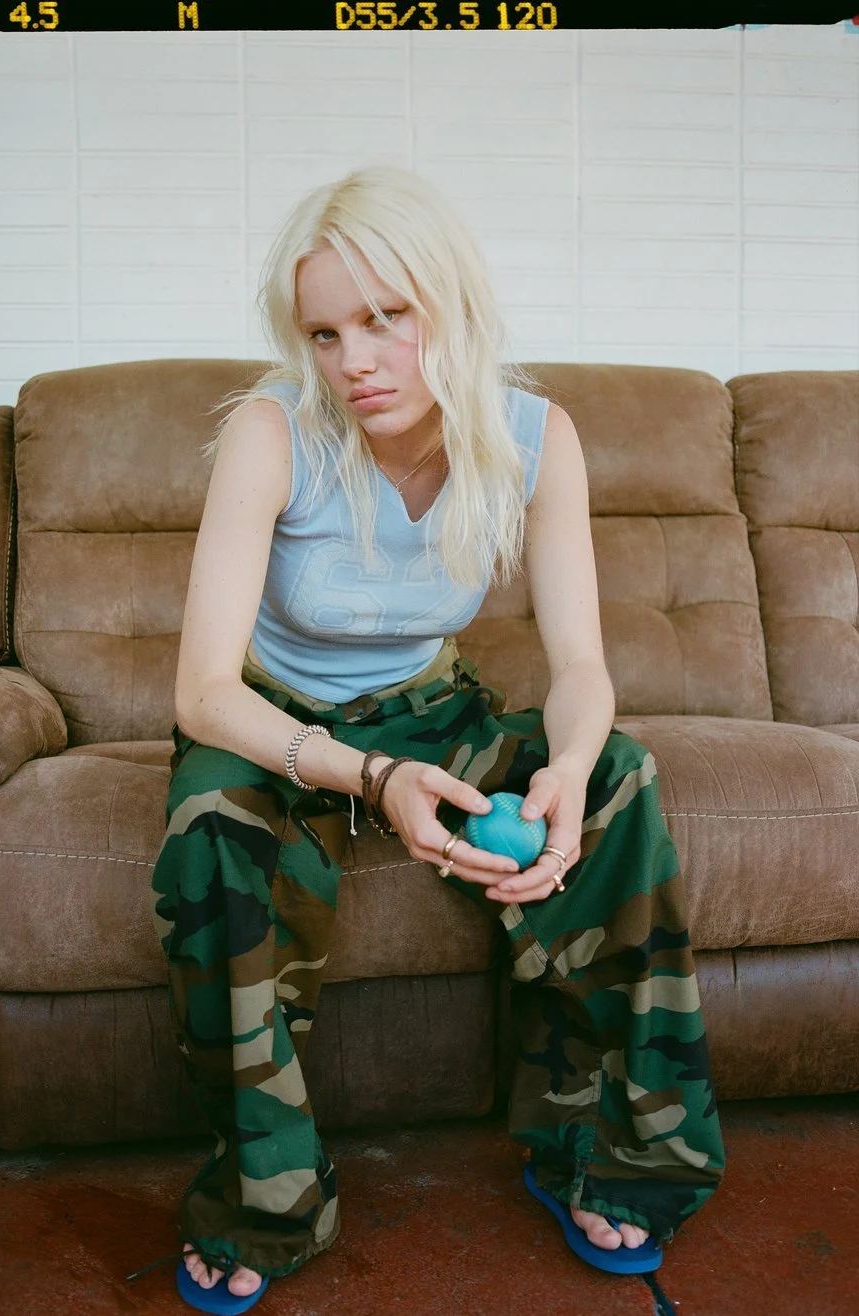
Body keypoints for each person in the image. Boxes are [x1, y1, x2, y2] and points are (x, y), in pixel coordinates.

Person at [148, 165, 725, 1312]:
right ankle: (269, 1197)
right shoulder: (271, 430)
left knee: (620, 773)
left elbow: (579, 667)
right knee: (209, 831)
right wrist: (369, 775)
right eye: (325, 332)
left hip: (432, 705)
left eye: (384, 318)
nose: (353, 359)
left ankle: (609, 1148)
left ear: (450, 304)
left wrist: (567, 772)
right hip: (276, 723)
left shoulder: (534, 435)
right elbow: (203, 692)